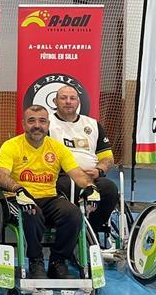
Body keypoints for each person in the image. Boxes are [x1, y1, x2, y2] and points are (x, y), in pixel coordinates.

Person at [0, 104, 99, 280]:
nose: (37, 125)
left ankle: (57, 262)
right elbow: (0, 175)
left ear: (48, 125)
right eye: (32, 121)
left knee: (73, 213)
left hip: (49, 197)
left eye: (42, 121)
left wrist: (90, 187)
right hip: (18, 197)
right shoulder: (11, 146)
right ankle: (36, 262)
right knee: (31, 211)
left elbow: (77, 173)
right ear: (23, 124)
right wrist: (18, 189)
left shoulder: (57, 148)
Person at [49, 85, 119, 232]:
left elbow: (107, 158)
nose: (68, 101)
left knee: (110, 189)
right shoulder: (47, 124)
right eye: (63, 98)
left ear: (78, 102)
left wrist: (99, 170)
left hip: (92, 176)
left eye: (72, 98)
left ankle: (90, 231)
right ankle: (70, 231)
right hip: (62, 176)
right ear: (55, 101)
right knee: (68, 186)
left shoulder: (92, 124)